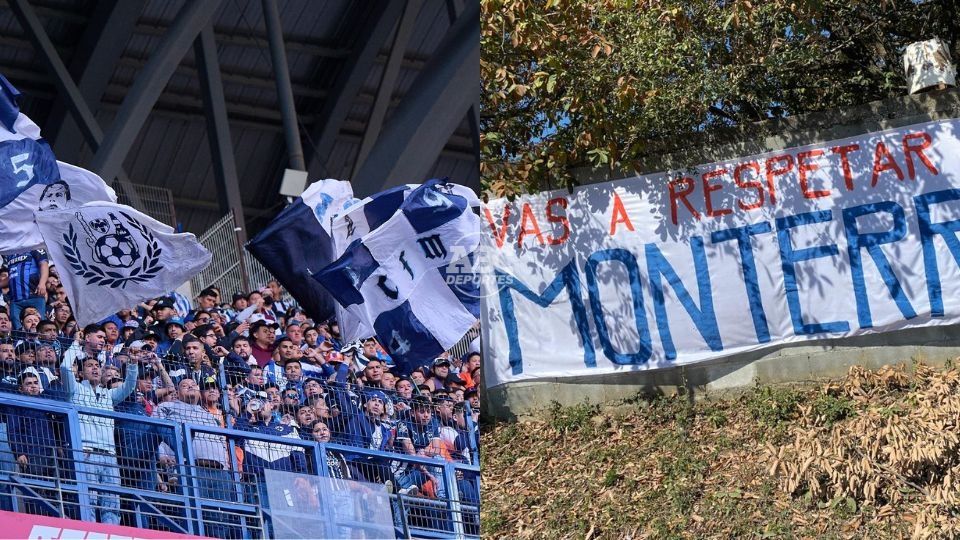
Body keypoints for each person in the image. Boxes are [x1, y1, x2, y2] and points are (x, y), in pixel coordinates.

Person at [60, 349, 138, 525]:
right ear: (80, 373)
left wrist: (132, 364)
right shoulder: (74, 390)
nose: (95, 368)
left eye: (97, 366)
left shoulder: (108, 395)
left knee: (112, 503)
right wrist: (75, 345)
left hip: (110, 455)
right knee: (88, 500)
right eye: (89, 366)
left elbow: (129, 386)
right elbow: (65, 368)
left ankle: (110, 533)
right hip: (86, 452)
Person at [152, 378, 235, 538]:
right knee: (193, 520)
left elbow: (221, 443)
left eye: (193, 385)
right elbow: (157, 429)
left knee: (220, 522)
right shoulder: (166, 407)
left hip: (220, 473)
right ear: (177, 392)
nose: (190, 386)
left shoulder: (209, 415)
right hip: (190, 470)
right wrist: (161, 455)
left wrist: (226, 468)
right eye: (184, 385)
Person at [3, 248, 48, 330]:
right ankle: (20, 343)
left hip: (35, 295)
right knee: (16, 325)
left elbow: (44, 264)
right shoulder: (9, 253)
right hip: (15, 299)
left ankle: (41, 342)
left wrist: (42, 283)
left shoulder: (35, 246)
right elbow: (11, 275)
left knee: (41, 324)